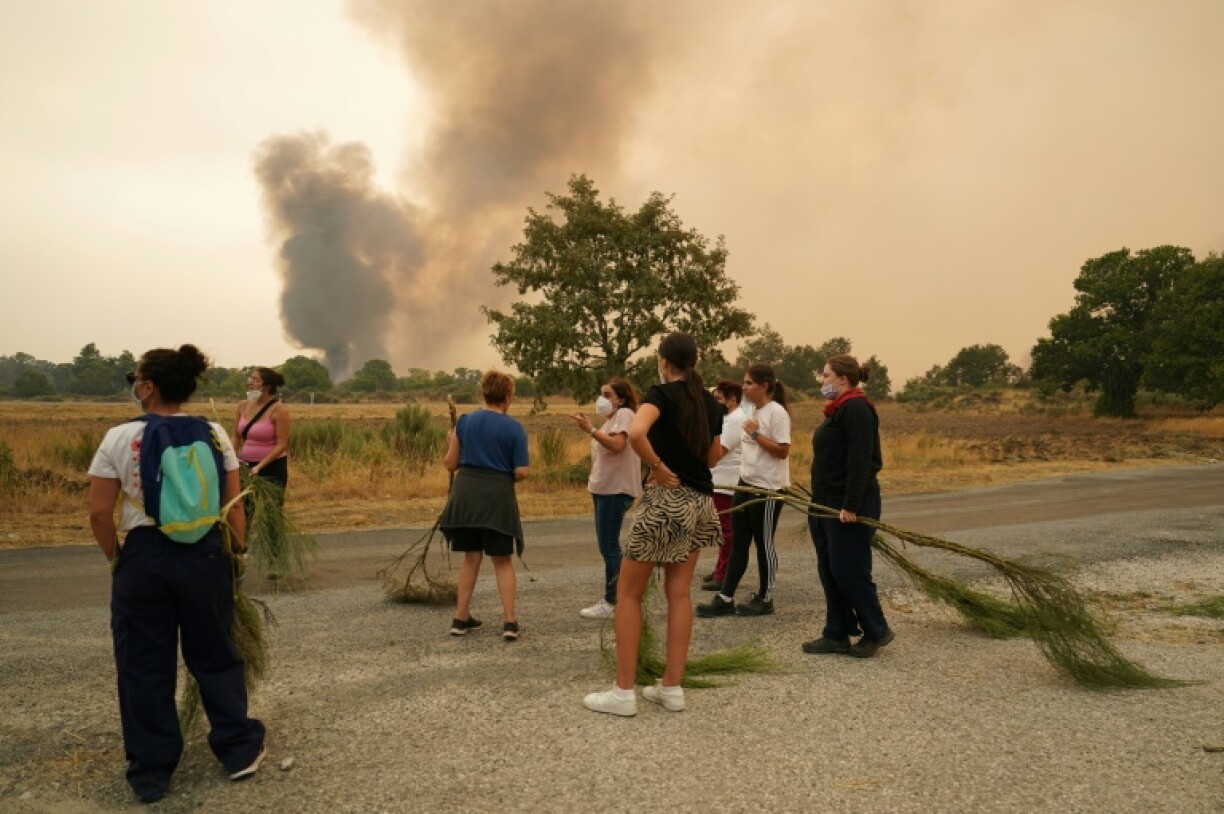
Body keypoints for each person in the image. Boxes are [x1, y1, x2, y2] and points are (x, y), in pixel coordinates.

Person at [87, 345, 266, 804]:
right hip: (205, 554)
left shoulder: (116, 438)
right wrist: (236, 555)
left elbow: (99, 515)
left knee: (144, 664)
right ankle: (238, 749)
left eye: (137, 378)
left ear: (147, 387)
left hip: (143, 557)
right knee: (216, 654)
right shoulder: (214, 433)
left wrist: (115, 560)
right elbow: (234, 505)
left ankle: (151, 771)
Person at [583, 332, 724, 716]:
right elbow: (712, 458)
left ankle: (623, 693)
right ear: (693, 362)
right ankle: (671, 688)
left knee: (628, 594)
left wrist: (659, 468)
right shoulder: (710, 404)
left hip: (667, 500)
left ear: (664, 362)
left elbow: (637, 434)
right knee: (679, 594)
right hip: (700, 502)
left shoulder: (660, 395)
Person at [803, 354, 894, 658]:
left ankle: (876, 629)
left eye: (826, 376)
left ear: (843, 379)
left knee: (849, 569)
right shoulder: (838, 410)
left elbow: (860, 460)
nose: (822, 381)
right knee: (830, 569)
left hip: (848, 506)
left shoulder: (857, 408)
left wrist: (851, 505)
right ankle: (836, 633)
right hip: (825, 503)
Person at [439, 370, 529, 642]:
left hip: (465, 495)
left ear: (484, 393)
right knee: (502, 561)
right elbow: (522, 471)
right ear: (508, 397)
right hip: (496, 498)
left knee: (471, 558)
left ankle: (461, 617)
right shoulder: (514, 427)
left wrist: (451, 441)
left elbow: (450, 464)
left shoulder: (464, 422)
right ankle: (510, 622)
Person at [698, 364, 791, 618]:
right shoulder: (751, 411)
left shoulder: (777, 413)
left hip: (768, 488)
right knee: (739, 543)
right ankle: (725, 597)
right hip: (745, 483)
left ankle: (766, 597)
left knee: (764, 544)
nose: (744, 387)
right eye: (744, 382)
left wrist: (756, 434)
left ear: (764, 386)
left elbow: (783, 450)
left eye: (749, 383)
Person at [571, 378, 642, 619]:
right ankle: (619, 598)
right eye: (601, 393)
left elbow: (618, 445)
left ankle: (614, 601)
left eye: (607, 394)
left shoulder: (624, 414)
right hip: (605, 489)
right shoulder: (612, 419)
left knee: (610, 547)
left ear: (620, 399)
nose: (602, 398)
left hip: (615, 490)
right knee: (607, 546)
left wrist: (590, 429)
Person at [701, 379, 746, 592]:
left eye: (719, 399)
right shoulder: (727, 418)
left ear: (732, 400)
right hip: (719, 478)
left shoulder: (736, 420)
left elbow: (720, 451)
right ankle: (721, 568)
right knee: (722, 528)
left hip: (727, 480)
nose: (715, 403)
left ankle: (724, 572)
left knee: (726, 530)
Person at [232, 367, 290, 503]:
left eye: (256, 380)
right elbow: (236, 436)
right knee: (246, 509)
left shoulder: (279, 410)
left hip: (272, 467)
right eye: (250, 378)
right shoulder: (242, 406)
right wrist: (232, 458)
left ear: (267, 386)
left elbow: (281, 444)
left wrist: (259, 466)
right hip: (246, 467)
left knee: (271, 510)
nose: (250, 382)